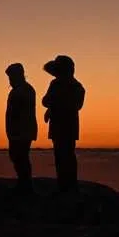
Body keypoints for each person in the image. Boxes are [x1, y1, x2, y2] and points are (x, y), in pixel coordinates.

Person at [42, 54, 85, 192]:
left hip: (62, 125)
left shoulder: (57, 84)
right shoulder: (77, 86)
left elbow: (46, 101)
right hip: (68, 126)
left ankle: (65, 185)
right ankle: (68, 184)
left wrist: (53, 107)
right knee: (67, 155)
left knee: (62, 155)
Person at [5, 62, 37, 194]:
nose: (10, 80)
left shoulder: (24, 90)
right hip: (19, 130)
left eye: (11, 77)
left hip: (22, 131)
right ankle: (24, 184)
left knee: (20, 157)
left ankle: (26, 185)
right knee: (18, 156)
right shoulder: (22, 90)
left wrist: (14, 130)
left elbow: (18, 113)